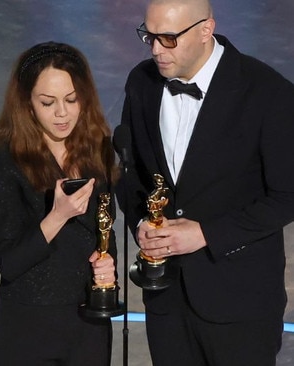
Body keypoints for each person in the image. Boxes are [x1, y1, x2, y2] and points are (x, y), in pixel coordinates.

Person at [117, 0, 294, 364]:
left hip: (240, 304)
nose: (155, 49)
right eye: (148, 36)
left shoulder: (267, 92)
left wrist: (205, 234)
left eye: (168, 38)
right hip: (165, 297)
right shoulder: (142, 82)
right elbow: (130, 169)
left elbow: (287, 195)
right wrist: (140, 223)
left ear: (205, 30)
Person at [0, 41, 119, 365]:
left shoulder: (97, 152)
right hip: (30, 327)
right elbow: (9, 260)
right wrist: (57, 216)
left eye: (72, 100)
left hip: (89, 323)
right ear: (28, 104)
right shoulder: (3, 160)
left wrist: (107, 266)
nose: (62, 113)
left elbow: (104, 231)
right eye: (48, 102)